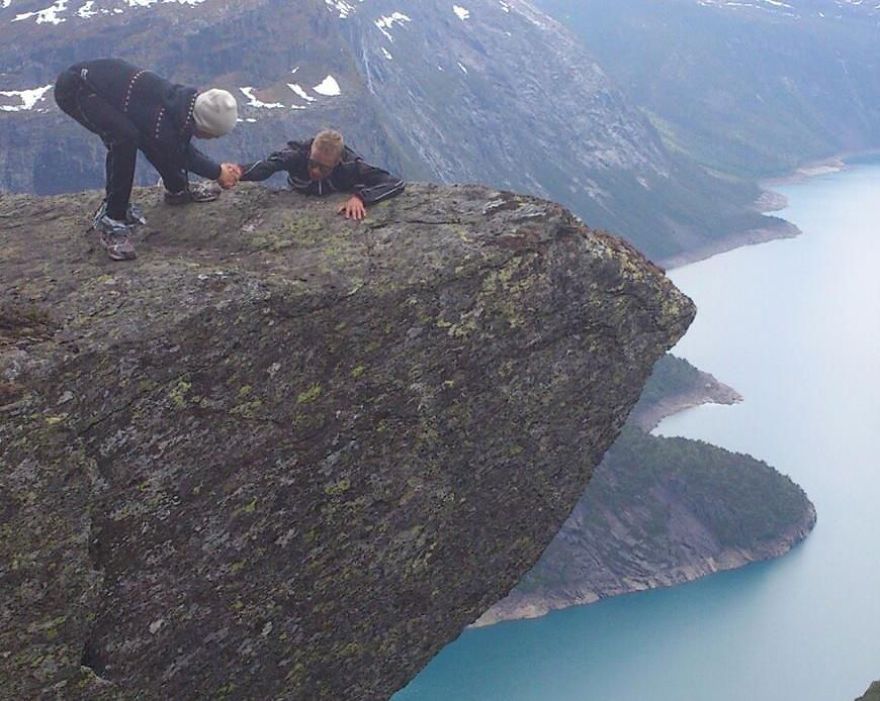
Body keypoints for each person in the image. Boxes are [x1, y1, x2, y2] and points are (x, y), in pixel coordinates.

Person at [54, 58, 241, 260]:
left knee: (147, 136)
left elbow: (173, 143)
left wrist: (215, 171)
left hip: (100, 82)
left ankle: (176, 189)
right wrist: (218, 172)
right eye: (214, 134)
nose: (213, 139)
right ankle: (113, 219)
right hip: (76, 89)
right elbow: (181, 153)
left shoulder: (181, 104)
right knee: (124, 138)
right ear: (204, 125)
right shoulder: (163, 121)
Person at [236, 130, 405, 220]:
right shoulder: (298, 155)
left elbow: (394, 183)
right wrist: (238, 171)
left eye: (323, 168)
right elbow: (268, 166)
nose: (315, 171)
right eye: (312, 163)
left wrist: (361, 198)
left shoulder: (351, 167)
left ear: (337, 161)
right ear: (310, 152)